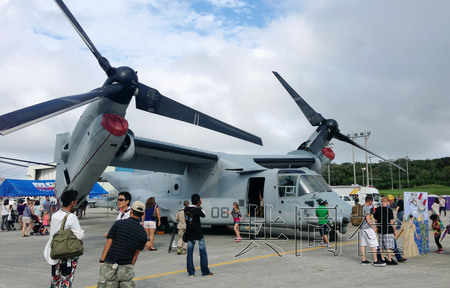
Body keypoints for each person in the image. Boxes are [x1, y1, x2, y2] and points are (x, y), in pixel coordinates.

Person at [97, 201, 148, 287]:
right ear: (143, 214)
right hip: (126, 265)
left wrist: (102, 260)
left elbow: (109, 242)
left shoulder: (119, 224)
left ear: (131, 211)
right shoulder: (143, 233)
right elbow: (136, 254)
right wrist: (130, 266)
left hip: (110, 263)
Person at [43, 189, 85, 288]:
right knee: (66, 281)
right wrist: (83, 233)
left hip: (54, 252)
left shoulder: (55, 215)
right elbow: (79, 235)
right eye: (76, 200)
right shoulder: (71, 217)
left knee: (55, 281)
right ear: (72, 202)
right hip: (66, 254)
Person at [185, 193, 213, 277]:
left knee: (189, 254)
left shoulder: (186, 209)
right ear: (198, 202)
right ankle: (205, 271)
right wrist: (200, 205)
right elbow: (204, 214)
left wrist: (197, 204)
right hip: (198, 234)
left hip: (189, 234)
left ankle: (191, 273)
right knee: (202, 252)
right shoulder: (197, 210)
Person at [360, 195, 385, 266]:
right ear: (370, 201)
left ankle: (363, 260)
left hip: (362, 228)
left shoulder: (361, 207)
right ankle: (375, 260)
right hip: (367, 228)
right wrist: (373, 227)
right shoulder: (367, 208)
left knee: (363, 244)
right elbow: (368, 220)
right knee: (373, 244)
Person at [374, 197, 397, 265]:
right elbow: (391, 221)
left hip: (381, 230)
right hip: (388, 230)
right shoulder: (389, 210)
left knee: (381, 246)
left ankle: (383, 258)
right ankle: (389, 259)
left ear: (381, 201)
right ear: (387, 202)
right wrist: (394, 230)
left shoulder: (377, 209)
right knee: (389, 246)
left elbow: (376, 220)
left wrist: (377, 227)